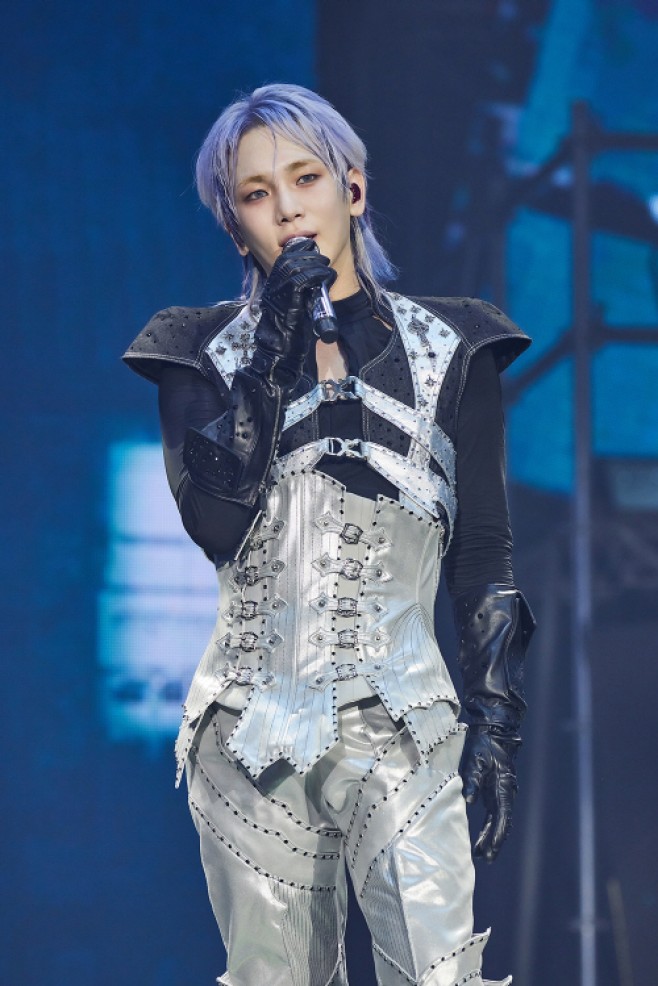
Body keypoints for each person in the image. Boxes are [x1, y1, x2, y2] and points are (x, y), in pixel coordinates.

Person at [123, 83, 535, 986]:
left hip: (407, 724)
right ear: (236, 226)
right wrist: (272, 345)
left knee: (440, 974)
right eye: (257, 193)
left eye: (305, 178)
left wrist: (496, 726)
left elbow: (482, 553)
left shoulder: (454, 347)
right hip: (248, 731)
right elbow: (215, 522)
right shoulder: (198, 351)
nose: (287, 208)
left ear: (353, 187)